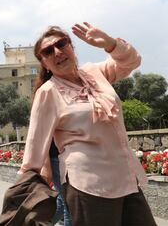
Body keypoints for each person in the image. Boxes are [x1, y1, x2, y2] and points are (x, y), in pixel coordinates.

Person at [18, 22, 156, 226]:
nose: (57, 52)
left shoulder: (95, 72)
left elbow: (132, 62)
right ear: (45, 63)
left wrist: (109, 43)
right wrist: (22, 193)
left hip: (126, 178)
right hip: (88, 186)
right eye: (48, 51)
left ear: (71, 47)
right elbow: (34, 148)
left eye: (61, 44)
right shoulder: (48, 92)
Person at [50, 142, 72, 226]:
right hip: (58, 158)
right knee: (69, 205)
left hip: (69, 157)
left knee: (62, 202)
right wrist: (46, 165)